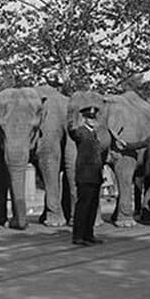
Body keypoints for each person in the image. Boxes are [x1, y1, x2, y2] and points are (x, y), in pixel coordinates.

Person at [68, 105, 109, 246]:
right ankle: (78, 236)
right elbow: (74, 134)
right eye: (89, 117)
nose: (92, 120)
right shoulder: (81, 132)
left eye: (94, 118)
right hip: (85, 177)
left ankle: (89, 235)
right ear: (84, 119)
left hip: (95, 177)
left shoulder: (93, 134)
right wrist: (70, 123)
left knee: (92, 207)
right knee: (83, 207)